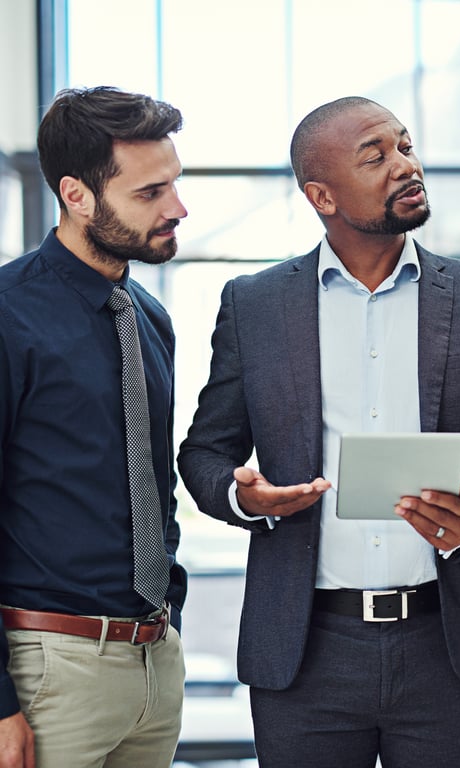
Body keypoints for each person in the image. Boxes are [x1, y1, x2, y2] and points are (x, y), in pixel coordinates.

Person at [178, 95, 460, 768]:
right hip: (305, 653)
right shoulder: (254, 307)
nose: (405, 166)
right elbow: (205, 451)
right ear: (321, 194)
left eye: (405, 146)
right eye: (375, 156)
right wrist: (243, 499)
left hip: (447, 646)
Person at [0, 86, 188, 768]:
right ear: (77, 195)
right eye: (150, 194)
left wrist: (172, 612)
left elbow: (152, 483)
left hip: (154, 662)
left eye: (175, 184)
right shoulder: (7, 316)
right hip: (49, 670)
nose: (177, 208)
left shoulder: (147, 316)